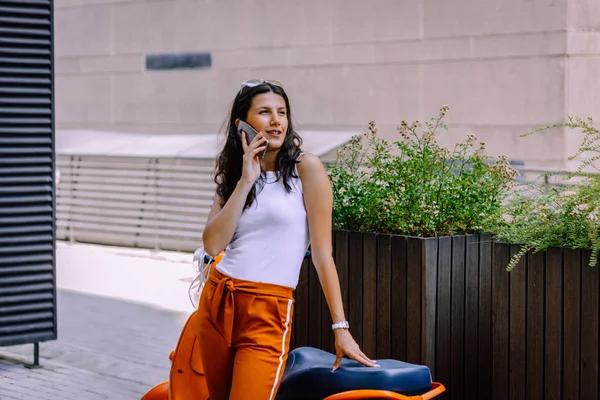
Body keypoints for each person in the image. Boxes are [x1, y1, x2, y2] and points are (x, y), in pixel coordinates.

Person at [198, 79, 377, 400]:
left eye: (282, 112)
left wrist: (341, 328)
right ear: (242, 124)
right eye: (265, 112)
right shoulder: (236, 173)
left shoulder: (306, 168)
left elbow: (323, 255)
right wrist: (245, 180)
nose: (276, 120)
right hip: (218, 299)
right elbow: (213, 244)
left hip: (268, 309)